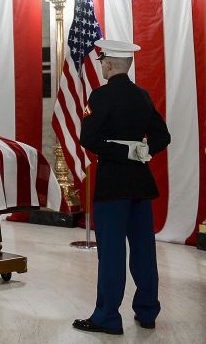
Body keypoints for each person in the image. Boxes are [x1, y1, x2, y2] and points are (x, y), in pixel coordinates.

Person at [73, 39, 171, 335]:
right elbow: (162, 136)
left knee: (112, 252)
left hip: (113, 185)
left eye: (102, 62)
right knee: (144, 250)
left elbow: (88, 139)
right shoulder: (142, 96)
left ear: (110, 64)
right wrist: (143, 151)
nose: (101, 66)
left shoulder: (100, 96)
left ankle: (107, 317)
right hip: (141, 185)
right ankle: (147, 311)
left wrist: (122, 151)